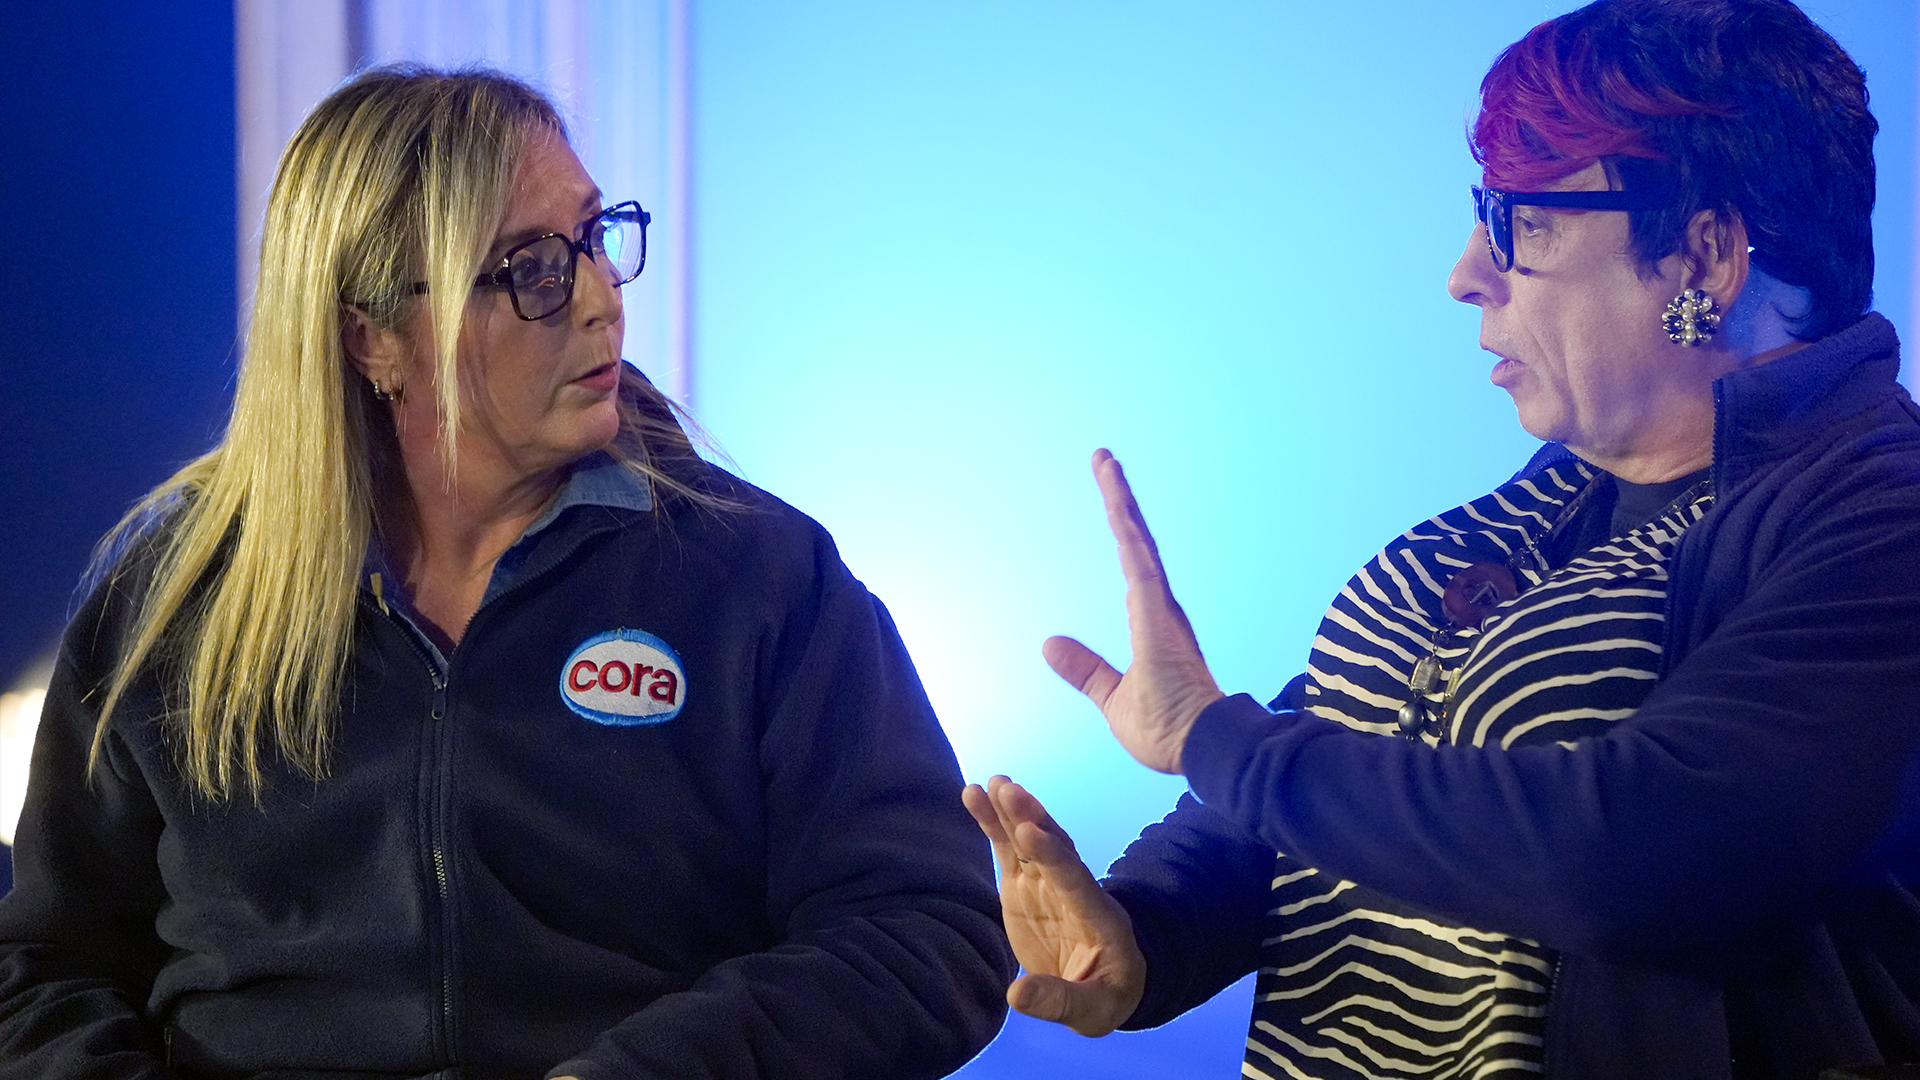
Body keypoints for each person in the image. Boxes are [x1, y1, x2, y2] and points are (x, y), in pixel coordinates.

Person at [965, 0, 1920, 1076]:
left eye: (1528, 223)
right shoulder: (1559, 494)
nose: (1468, 271)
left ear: (1706, 255)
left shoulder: (1882, 519)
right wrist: (1143, 927)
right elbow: (1345, 743)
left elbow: (1638, 847)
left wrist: (1217, 741)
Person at [0, 67, 1012, 1080]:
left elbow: (927, 930)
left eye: (594, 238)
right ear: (373, 338)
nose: (602, 299)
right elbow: (40, 972)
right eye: (531, 269)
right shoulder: (172, 595)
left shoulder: (760, 577)